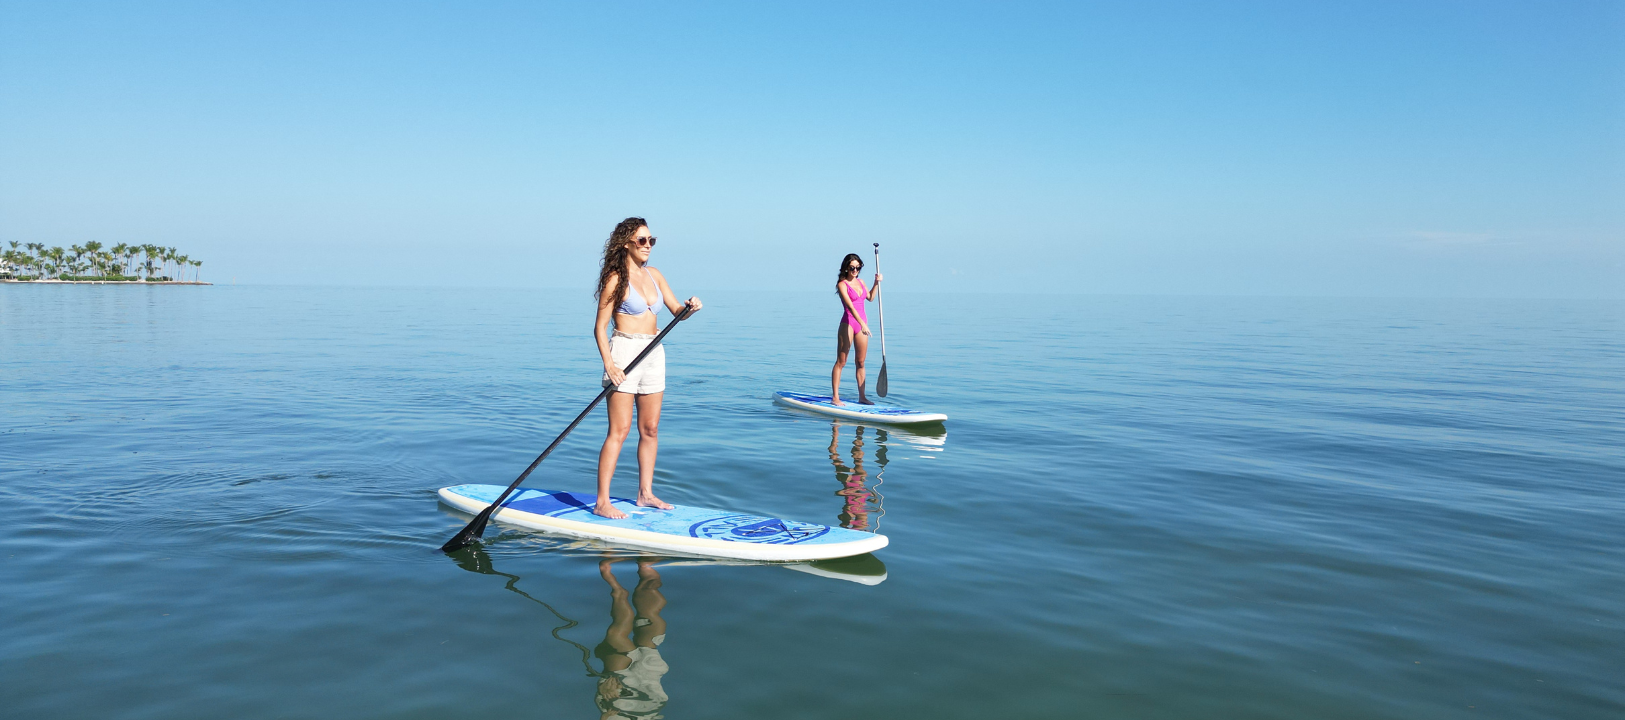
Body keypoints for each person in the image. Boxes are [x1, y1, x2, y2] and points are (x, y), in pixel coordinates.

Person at [593, 217, 701, 519]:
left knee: (650, 429)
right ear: (626, 243)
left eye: (651, 240)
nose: (648, 245)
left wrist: (690, 308)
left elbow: (677, 312)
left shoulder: (654, 275)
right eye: (642, 240)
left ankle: (645, 493)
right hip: (624, 352)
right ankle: (602, 502)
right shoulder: (616, 279)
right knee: (620, 430)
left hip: (653, 352)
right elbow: (599, 328)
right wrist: (610, 365)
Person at [831, 253, 881, 405]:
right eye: (852, 267)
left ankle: (862, 397)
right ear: (846, 268)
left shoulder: (861, 282)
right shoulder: (842, 284)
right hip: (848, 323)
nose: (855, 270)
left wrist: (876, 283)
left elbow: (870, 297)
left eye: (858, 268)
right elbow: (851, 307)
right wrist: (863, 324)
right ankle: (835, 397)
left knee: (860, 362)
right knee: (841, 361)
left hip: (862, 325)